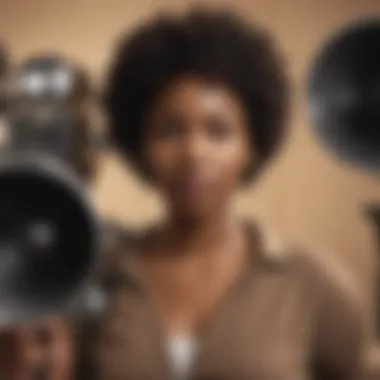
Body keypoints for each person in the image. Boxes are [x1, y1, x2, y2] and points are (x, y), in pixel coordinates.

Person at [0, 7, 369, 380]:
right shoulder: (93, 276)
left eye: (218, 132)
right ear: (140, 146)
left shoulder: (311, 284)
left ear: (251, 147)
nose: (194, 153)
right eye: (170, 131)